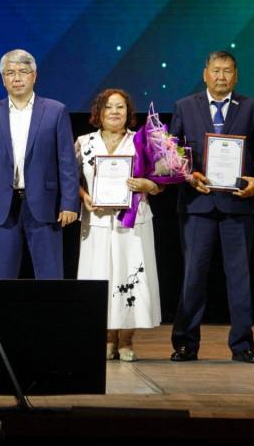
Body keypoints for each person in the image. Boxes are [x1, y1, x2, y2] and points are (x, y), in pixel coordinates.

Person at [168, 51, 254, 363]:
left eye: (227, 70)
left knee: (239, 277)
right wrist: (188, 175)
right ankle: (185, 343)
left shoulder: (252, 108)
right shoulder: (185, 106)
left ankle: (242, 345)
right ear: (205, 74)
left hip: (238, 206)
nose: (221, 76)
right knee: (193, 276)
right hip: (197, 204)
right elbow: (172, 155)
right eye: (216, 70)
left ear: (236, 75)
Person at [0, 49, 80, 279]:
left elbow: (67, 162)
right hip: (2, 207)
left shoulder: (56, 110)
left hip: (46, 205)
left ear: (34, 75)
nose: (17, 78)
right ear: (3, 78)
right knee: (3, 277)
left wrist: (69, 202)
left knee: (50, 276)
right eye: (10, 73)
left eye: (23, 71)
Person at [76, 89, 162, 362]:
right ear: (98, 112)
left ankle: (126, 339)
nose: (114, 111)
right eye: (108, 106)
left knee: (129, 275)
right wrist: (84, 197)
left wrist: (148, 185)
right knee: (100, 277)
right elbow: (71, 180)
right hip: (96, 222)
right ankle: (106, 338)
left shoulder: (142, 142)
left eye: (120, 107)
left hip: (133, 222)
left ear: (129, 112)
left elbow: (160, 182)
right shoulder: (83, 143)